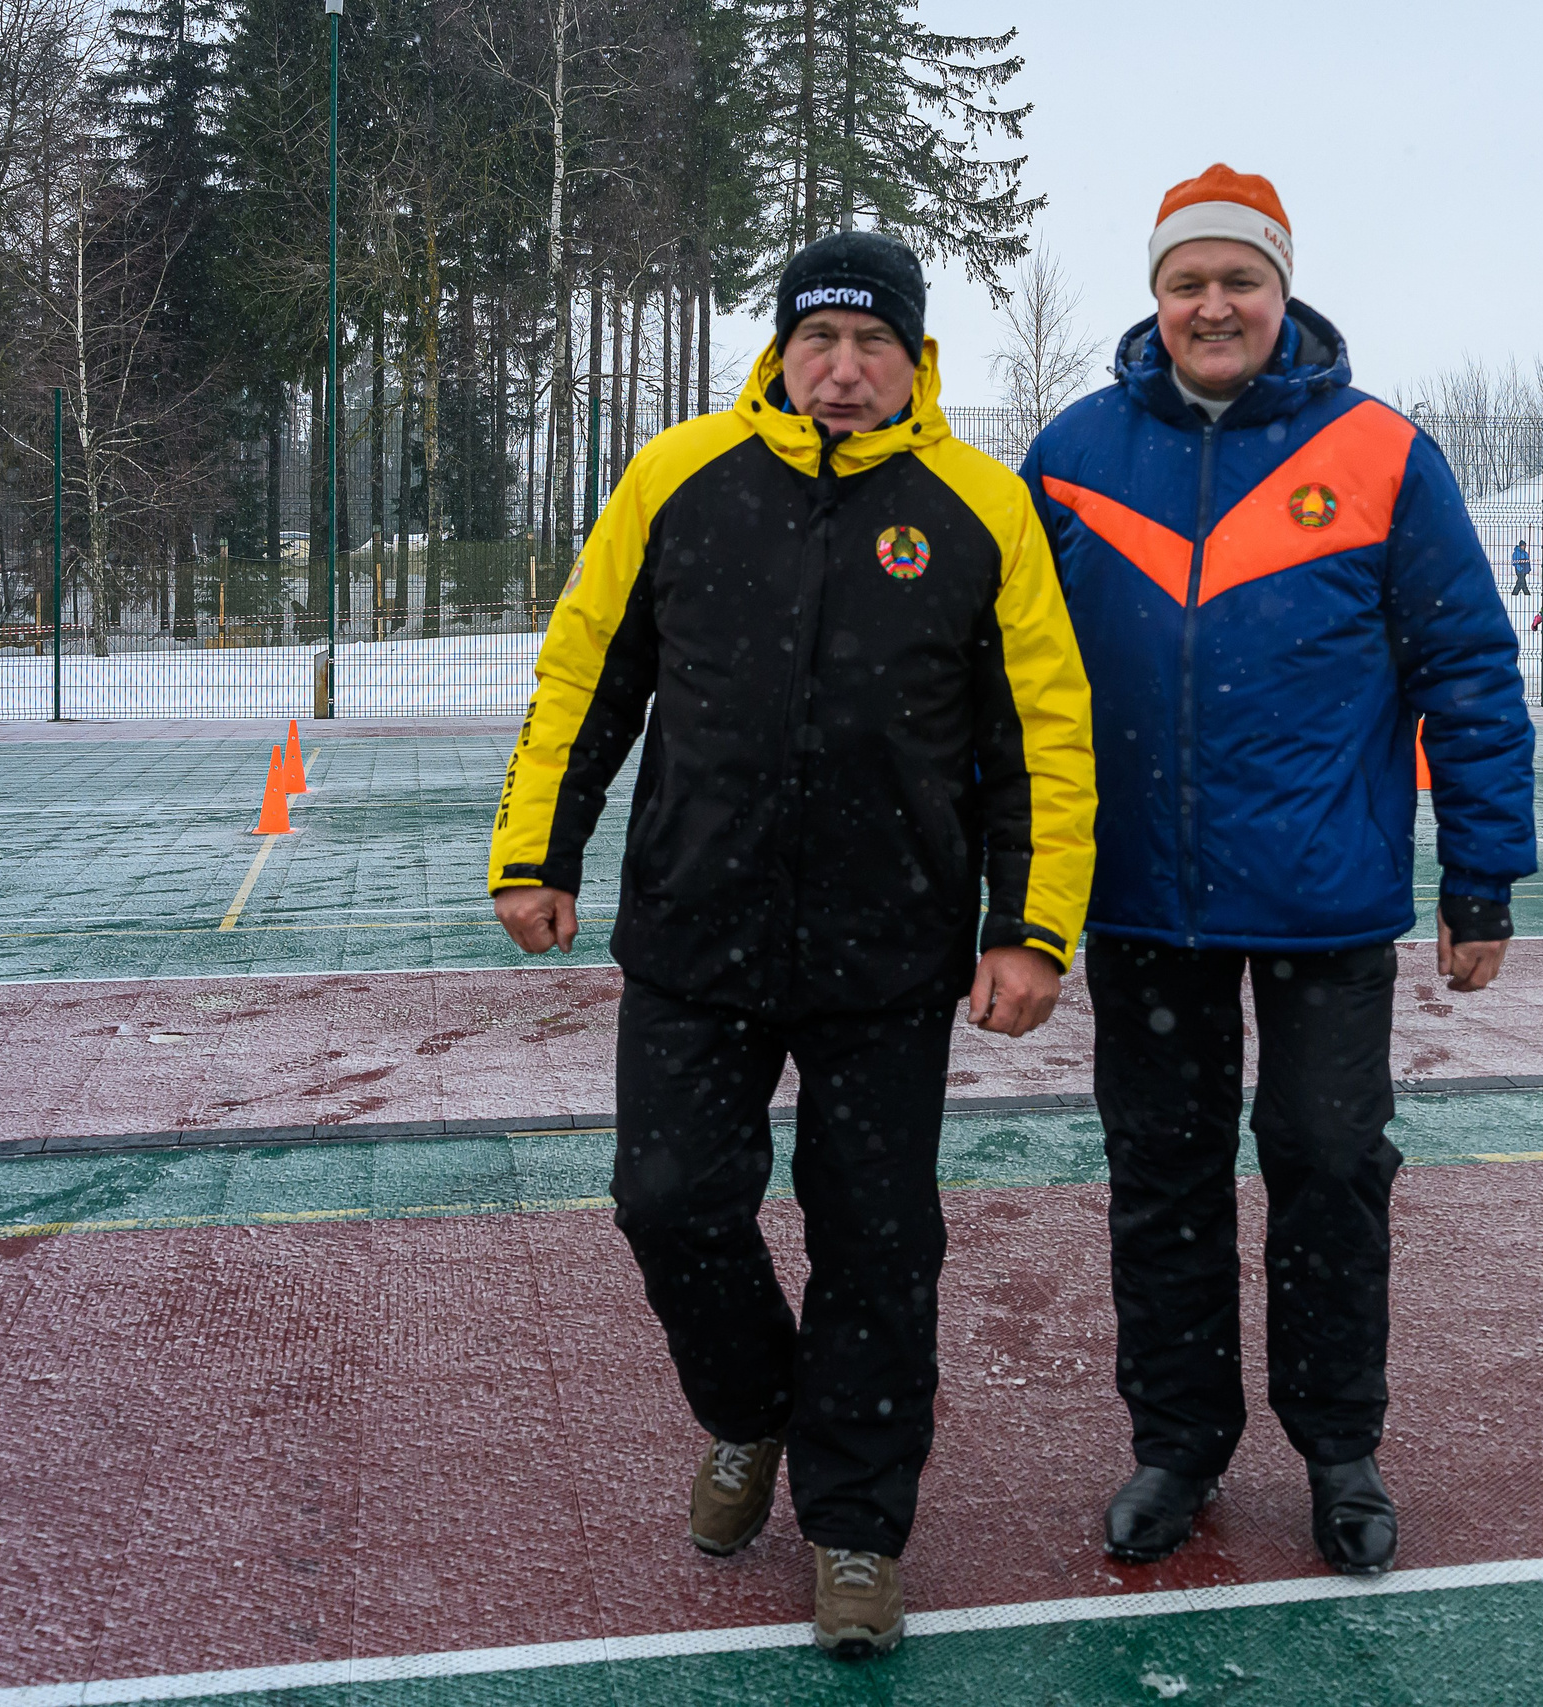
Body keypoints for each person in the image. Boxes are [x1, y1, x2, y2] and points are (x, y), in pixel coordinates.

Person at [486, 230, 1095, 1660]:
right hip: (698, 928)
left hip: (890, 954)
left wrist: (1031, 925)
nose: (842, 368)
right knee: (668, 1199)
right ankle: (753, 1409)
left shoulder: (979, 506)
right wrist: (538, 847)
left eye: (871, 342)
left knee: (879, 1242)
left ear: (914, 356)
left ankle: (858, 1529)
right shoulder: (677, 479)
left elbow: (1042, 737)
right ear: (778, 349)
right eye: (819, 340)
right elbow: (588, 671)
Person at [1021, 164, 1535, 1579]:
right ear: (1156, 298)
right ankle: (1177, 1444)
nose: (1213, 304)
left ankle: (1340, 1447)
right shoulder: (1069, 456)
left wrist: (1482, 871)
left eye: (1239, 279)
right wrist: (1004, 886)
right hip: (1136, 904)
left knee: (1324, 1164)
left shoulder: (1383, 454)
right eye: (1188, 281)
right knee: (1162, 1174)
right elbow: (1002, 682)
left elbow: (1469, 669)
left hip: (1325, 901)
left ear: (1282, 290)